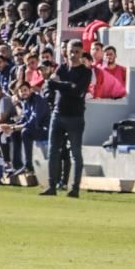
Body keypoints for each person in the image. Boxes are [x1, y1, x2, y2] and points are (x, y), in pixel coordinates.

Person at [40, 39, 91, 197]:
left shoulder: (86, 72)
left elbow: (77, 91)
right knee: (53, 151)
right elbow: (49, 85)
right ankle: (51, 186)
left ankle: (74, 188)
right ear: (66, 52)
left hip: (75, 116)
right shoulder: (62, 68)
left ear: (82, 53)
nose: (73, 55)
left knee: (75, 153)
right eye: (71, 51)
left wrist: (60, 85)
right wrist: (66, 85)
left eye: (77, 52)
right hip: (58, 113)